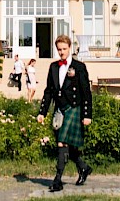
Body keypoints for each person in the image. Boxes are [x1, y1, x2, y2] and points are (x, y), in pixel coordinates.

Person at [37, 35, 92, 192]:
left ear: (70, 48)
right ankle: (83, 167)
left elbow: (86, 92)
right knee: (65, 145)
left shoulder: (79, 67)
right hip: (59, 109)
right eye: (59, 49)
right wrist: (43, 112)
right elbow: (48, 91)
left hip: (74, 108)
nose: (61, 52)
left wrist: (87, 115)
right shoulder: (53, 67)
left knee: (62, 142)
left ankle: (57, 180)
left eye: (64, 49)